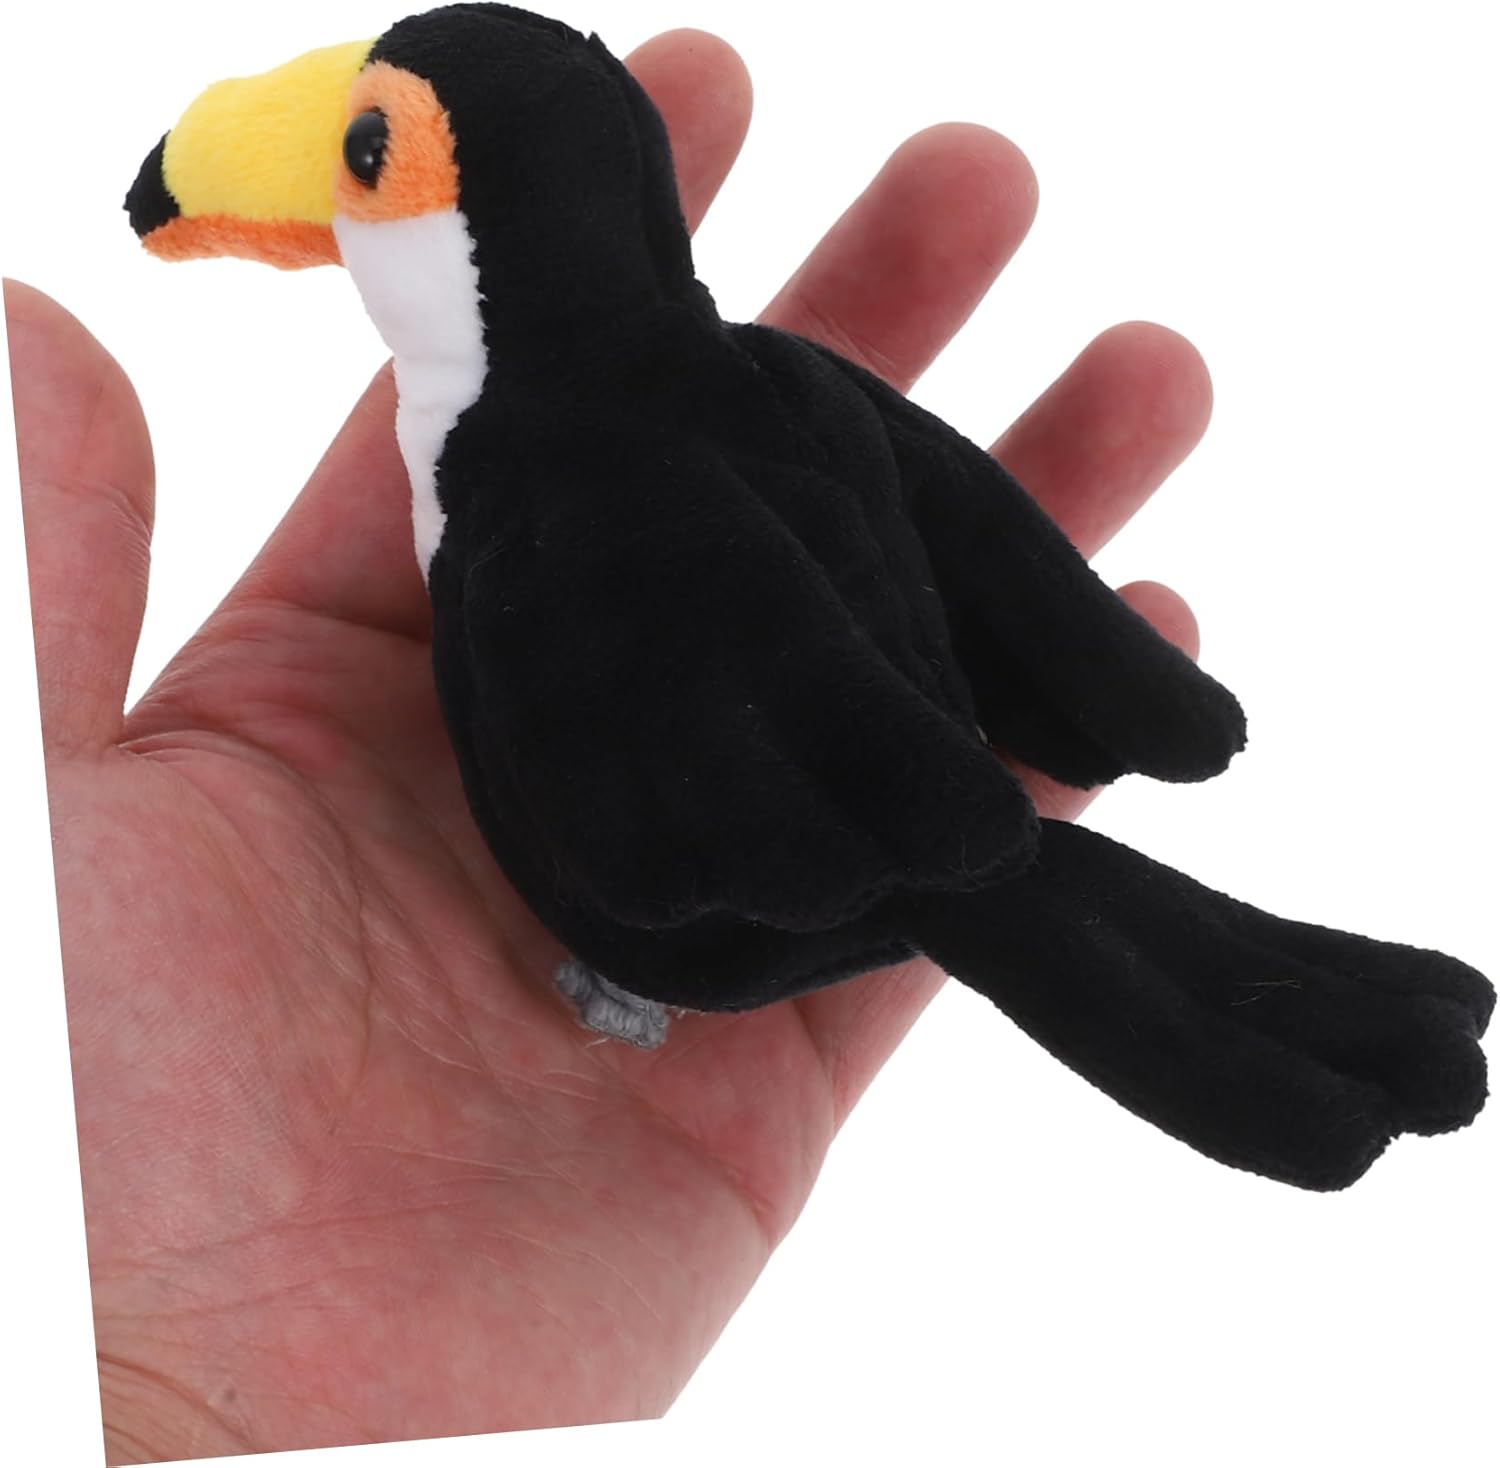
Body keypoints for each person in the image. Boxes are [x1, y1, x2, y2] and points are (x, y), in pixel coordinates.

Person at [9, 28, 1211, 1463]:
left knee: (994, 906)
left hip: (714, 914)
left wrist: (829, 850)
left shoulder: (522, 469)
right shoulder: (756, 374)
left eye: (375, 161)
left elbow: (705, 656)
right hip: (871, 812)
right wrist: (1098, 698)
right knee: (1058, 925)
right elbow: (952, 512)